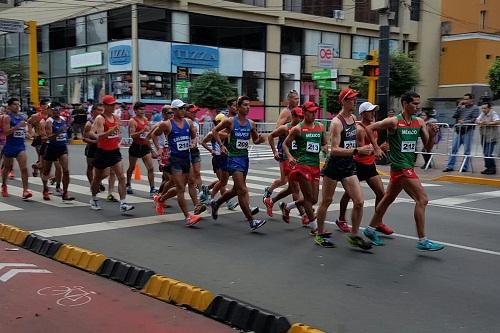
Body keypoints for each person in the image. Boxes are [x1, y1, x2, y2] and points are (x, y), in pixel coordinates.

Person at [364, 91, 444, 251]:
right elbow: (370, 128)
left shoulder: (420, 122)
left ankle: (370, 229)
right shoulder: (394, 121)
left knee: (387, 199)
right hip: (401, 167)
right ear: (405, 104)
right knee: (422, 200)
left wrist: (433, 134)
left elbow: (427, 149)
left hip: (406, 166)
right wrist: (377, 148)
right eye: (414, 103)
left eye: (418, 103)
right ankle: (423, 240)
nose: (417, 106)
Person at [314, 89, 378, 249]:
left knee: (359, 201)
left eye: (355, 99)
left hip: (349, 165)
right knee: (326, 201)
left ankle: (355, 235)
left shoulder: (354, 118)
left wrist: (368, 147)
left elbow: (352, 141)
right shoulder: (336, 122)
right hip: (334, 165)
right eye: (351, 99)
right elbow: (334, 149)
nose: (355, 102)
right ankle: (319, 234)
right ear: (343, 101)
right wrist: (358, 151)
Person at [210, 95, 267, 231]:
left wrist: (263, 139)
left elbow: (255, 139)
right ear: (238, 107)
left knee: (236, 190)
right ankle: (251, 221)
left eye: (249, 105)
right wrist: (221, 145)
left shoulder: (251, 124)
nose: (248, 107)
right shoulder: (230, 121)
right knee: (242, 190)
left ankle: (217, 204)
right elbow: (214, 131)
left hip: (244, 159)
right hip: (233, 159)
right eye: (245, 105)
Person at [336, 101, 393, 236]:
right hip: (357, 165)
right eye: (370, 111)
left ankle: (378, 222)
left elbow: (371, 148)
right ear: (362, 113)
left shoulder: (372, 127)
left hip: (369, 165)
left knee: (381, 194)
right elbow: (362, 150)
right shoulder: (360, 129)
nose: (373, 113)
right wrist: (378, 149)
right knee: (349, 195)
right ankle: (341, 219)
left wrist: (378, 149)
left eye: (374, 111)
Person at [151, 99, 201, 226]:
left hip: (186, 158)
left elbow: (194, 136)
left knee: (191, 183)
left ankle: (160, 198)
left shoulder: (189, 122)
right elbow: (154, 135)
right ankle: (188, 217)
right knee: (180, 189)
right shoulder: (167, 124)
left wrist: (194, 142)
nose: (183, 110)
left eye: (184, 108)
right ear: (173, 110)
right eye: (180, 108)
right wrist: (159, 148)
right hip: (175, 160)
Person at [282, 101, 327, 235]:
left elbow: (324, 143)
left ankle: (288, 207)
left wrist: (325, 148)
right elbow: (285, 144)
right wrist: (290, 157)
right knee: (308, 199)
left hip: (315, 165)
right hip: (302, 166)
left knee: (313, 199)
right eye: (310, 112)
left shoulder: (320, 126)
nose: (313, 114)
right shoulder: (298, 129)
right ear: (304, 112)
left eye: (315, 112)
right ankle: (315, 228)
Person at [89, 95, 134, 213]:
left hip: (114, 152)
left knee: (121, 177)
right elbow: (98, 136)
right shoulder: (100, 118)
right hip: (102, 152)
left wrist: (118, 138)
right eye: (111, 105)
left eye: (114, 104)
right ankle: (93, 198)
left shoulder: (116, 117)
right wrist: (111, 131)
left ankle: (123, 203)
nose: (114, 106)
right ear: (104, 106)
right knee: (97, 178)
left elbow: (117, 133)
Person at [264, 106, 307, 223]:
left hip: (299, 161)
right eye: (299, 117)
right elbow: (271, 136)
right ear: (293, 117)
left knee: (291, 188)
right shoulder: (285, 128)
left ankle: (272, 201)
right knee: (296, 189)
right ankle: (304, 215)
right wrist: (275, 152)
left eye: (303, 116)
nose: (302, 118)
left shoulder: (303, 128)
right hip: (288, 160)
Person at [263, 89, 300, 201]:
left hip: (294, 146)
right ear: (289, 100)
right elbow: (278, 128)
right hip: (284, 146)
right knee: (285, 180)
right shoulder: (286, 112)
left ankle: (298, 206)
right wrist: (289, 128)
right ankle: (269, 190)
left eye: (298, 98)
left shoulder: (298, 111)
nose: (297, 101)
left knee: (293, 182)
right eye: (295, 99)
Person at [200, 113, 238, 210]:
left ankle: (207, 189)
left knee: (222, 181)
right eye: (222, 122)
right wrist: (211, 150)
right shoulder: (215, 133)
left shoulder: (224, 132)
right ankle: (226, 201)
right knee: (223, 182)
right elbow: (203, 142)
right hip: (218, 159)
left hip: (226, 158)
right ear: (218, 123)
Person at [41, 102, 75, 201]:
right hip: (51, 148)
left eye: (59, 109)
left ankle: (65, 192)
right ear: (51, 111)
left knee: (66, 170)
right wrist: (59, 132)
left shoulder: (63, 120)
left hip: (62, 148)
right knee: (46, 171)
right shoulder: (49, 121)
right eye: (55, 110)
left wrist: (66, 136)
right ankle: (45, 189)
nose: (57, 111)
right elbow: (49, 137)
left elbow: (65, 133)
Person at [84, 104, 117, 202]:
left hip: (104, 149)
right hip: (92, 149)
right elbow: (84, 138)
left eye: (102, 110)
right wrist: (95, 141)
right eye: (99, 110)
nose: (101, 112)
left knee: (109, 171)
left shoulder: (105, 120)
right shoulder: (89, 123)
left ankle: (109, 192)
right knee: (90, 168)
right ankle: (93, 184)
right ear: (93, 111)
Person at [1, 98, 32, 199]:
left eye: (18, 104)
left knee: (24, 168)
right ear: (9, 106)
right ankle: (4, 185)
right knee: (6, 168)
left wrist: (27, 134)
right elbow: (6, 133)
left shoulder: (23, 116)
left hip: (20, 146)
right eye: (15, 105)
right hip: (10, 145)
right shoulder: (7, 117)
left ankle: (25, 190)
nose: (17, 106)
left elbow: (24, 130)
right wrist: (17, 126)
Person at [125, 102, 157, 196]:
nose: (143, 111)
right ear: (135, 110)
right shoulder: (132, 121)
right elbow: (132, 135)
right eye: (140, 109)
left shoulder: (146, 120)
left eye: (143, 109)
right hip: (136, 146)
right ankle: (128, 184)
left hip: (145, 147)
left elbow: (149, 135)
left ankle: (152, 188)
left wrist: (152, 149)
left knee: (150, 168)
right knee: (132, 167)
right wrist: (142, 131)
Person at [443, 93, 479, 172]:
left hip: (468, 131)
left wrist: (464, 121)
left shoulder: (475, 108)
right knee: (454, 149)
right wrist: (458, 106)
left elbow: (474, 119)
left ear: (471, 100)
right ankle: (450, 166)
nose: (464, 101)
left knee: (467, 150)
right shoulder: (461, 107)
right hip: (458, 130)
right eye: (464, 99)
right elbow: (454, 116)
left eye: (466, 99)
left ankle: (464, 167)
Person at [476, 102, 499, 175]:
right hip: (484, 136)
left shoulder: (493, 114)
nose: (483, 110)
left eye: (485, 108)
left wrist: (488, 123)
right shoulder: (483, 114)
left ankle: (492, 168)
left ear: (489, 108)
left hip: (491, 137)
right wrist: (480, 122)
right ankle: (488, 168)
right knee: (485, 153)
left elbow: (498, 121)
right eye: (482, 108)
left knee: (488, 153)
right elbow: (477, 120)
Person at [419, 101, 439, 169]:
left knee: (425, 150)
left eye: (424, 115)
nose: (422, 117)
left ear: (427, 115)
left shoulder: (432, 120)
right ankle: (428, 163)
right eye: (421, 115)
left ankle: (427, 164)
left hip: (432, 138)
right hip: (426, 138)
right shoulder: (421, 121)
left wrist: (425, 123)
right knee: (426, 150)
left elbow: (434, 121)